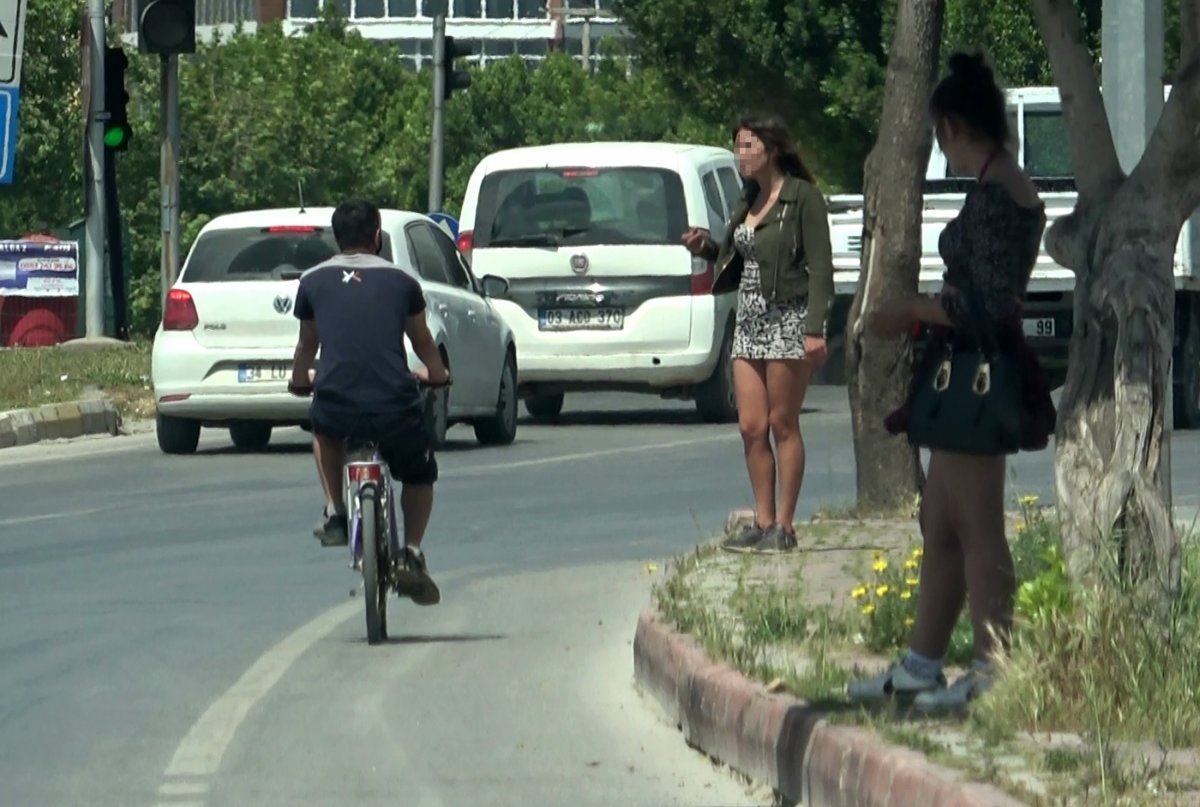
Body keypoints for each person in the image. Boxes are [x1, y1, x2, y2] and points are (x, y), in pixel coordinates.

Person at [846, 52, 1056, 710]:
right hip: (967, 368)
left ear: (953, 126)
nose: (942, 147)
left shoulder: (997, 196)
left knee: (976, 525)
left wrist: (908, 308)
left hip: (978, 372)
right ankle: (920, 661)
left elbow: (985, 306)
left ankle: (994, 664)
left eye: (941, 133)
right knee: (939, 521)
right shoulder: (1000, 185)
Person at [682, 114, 834, 554]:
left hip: (789, 318)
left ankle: (784, 526)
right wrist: (706, 248)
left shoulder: (802, 198)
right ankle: (762, 521)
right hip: (748, 320)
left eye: (748, 146)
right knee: (751, 426)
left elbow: (821, 267)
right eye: (737, 146)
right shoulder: (747, 198)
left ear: (772, 148)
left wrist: (814, 328)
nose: (740, 155)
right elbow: (738, 255)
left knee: (783, 423)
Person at [288, 199, 451, 607]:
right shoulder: (401, 281)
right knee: (418, 474)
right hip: (394, 402)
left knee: (323, 430)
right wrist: (437, 374)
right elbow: (422, 341)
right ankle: (411, 552)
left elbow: (308, 345)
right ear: (377, 236)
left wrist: (298, 380)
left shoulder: (311, 282)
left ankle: (336, 512)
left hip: (336, 399)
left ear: (336, 238)